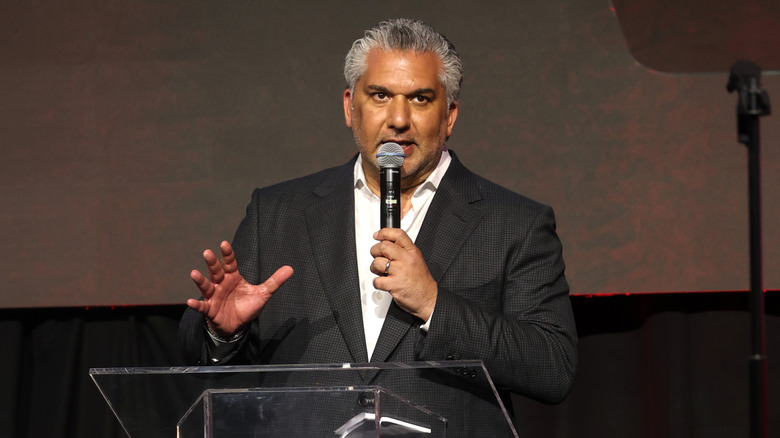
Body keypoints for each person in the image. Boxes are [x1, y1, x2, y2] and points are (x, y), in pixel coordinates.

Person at [179, 18, 577, 435]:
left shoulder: (514, 222)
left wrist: (434, 305)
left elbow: (553, 367)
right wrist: (224, 332)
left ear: (450, 115)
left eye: (420, 99)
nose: (399, 119)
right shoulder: (278, 212)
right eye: (381, 95)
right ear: (350, 106)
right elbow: (208, 360)